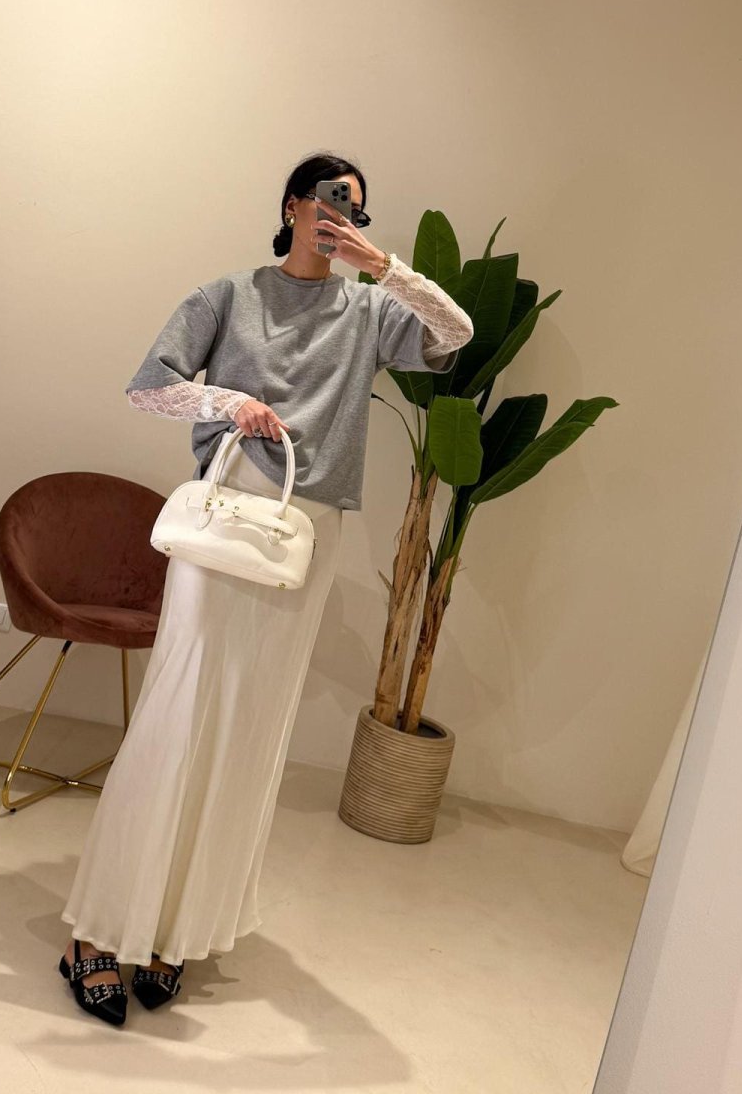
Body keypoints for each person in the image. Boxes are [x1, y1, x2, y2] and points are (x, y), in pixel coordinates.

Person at [57, 151, 474, 1025]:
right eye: (328, 201)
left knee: (249, 730)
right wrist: (225, 402)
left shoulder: (368, 309)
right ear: (292, 206)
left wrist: (383, 267)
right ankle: (95, 931)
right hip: (227, 513)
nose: (338, 217)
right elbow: (150, 389)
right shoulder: (228, 296)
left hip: (305, 532)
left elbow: (456, 334)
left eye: (354, 209)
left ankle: (176, 928)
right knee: (179, 713)